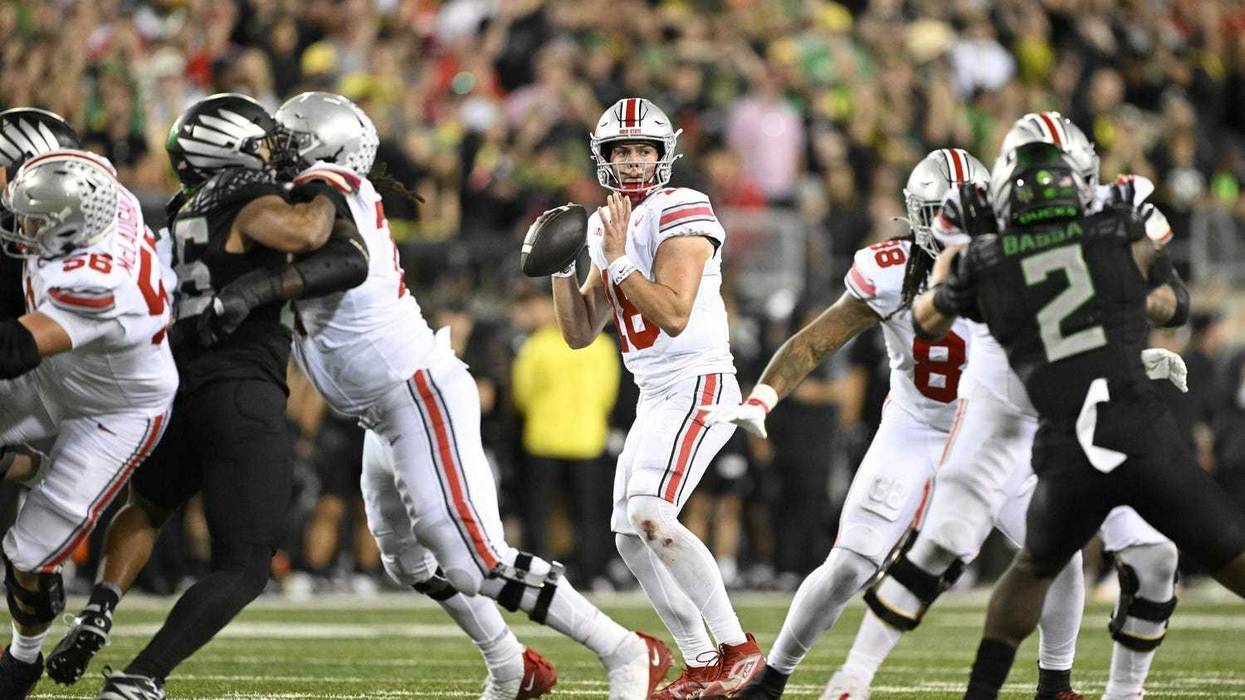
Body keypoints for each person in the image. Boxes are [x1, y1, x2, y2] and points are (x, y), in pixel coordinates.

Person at [273, 91, 668, 700]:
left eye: (286, 142)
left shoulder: (327, 196)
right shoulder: (310, 203)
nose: (274, 156)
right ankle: (511, 666)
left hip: (415, 394)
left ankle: (623, 649)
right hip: (382, 410)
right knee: (407, 561)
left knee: (474, 560)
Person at [831, 113, 1189, 700]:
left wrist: (1131, 349)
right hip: (1007, 410)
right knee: (948, 542)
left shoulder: (1113, 214)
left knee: (1154, 556)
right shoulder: (982, 228)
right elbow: (935, 318)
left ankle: (1113, 692)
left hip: (1091, 409)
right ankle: (852, 677)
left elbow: (1169, 303)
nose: (1050, 190)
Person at [706, 149, 1083, 700]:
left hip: (995, 434)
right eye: (939, 215)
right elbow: (815, 340)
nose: (952, 228)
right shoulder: (889, 270)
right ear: (915, 215)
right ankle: (770, 680)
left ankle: (1057, 685)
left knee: (1060, 551)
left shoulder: (1020, 265)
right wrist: (763, 398)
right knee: (847, 568)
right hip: (917, 430)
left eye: (965, 215)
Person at [44, 93, 361, 700]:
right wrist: (329, 185)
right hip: (239, 387)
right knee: (243, 566)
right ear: (230, 146)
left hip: (179, 384)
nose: (276, 151)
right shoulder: (244, 197)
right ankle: (143, 676)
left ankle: (98, 609)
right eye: (264, 141)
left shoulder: (183, 205)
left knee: (151, 506)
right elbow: (305, 229)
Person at [910, 140, 1245, 700]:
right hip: (1130, 428)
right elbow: (1176, 304)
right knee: (1210, 551)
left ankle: (996, 691)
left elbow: (931, 318)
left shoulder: (994, 256)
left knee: (1040, 568)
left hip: (1066, 440)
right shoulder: (1113, 232)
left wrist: (955, 266)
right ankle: (1096, 689)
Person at [548, 97, 760, 700]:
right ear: (605, 158)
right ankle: (700, 661)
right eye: (623, 151)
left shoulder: (683, 207)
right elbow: (579, 332)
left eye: (644, 149)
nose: (635, 161)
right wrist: (563, 271)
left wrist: (615, 263)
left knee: (651, 514)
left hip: (699, 382)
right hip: (654, 392)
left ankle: (737, 650)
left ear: (664, 155)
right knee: (627, 534)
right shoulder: (601, 222)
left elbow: (672, 312)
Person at [0, 149, 176, 699]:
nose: (20, 227)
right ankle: (32, 466)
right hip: (65, 373)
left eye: (33, 221)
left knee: (29, 555)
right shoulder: (98, 193)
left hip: (115, 410)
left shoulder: (97, 280)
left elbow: (13, 349)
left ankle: (21, 661)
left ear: (71, 229)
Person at [511, 284, 620, 584]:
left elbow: (522, 392)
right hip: (587, 439)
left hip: (543, 438)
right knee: (587, 512)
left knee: (541, 511)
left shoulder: (537, 345)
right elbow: (607, 394)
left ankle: (539, 569)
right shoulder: (601, 346)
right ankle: (591, 572)